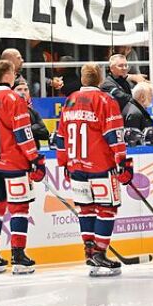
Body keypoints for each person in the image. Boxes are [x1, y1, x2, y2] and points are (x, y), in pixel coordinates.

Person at [53, 63, 133, 276]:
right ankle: (99, 252)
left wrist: (64, 164)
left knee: (86, 209)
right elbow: (113, 134)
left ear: (82, 79)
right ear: (99, 79)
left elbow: (60, 137)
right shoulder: (105, 100)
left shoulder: (69, 100)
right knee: (107, 209)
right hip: (100, 165)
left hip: (76, 165)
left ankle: (90, 252)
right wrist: (122, 161)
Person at [0, 59, 45, 275]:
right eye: (13, 72)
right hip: (13, 164)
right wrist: (35, 158)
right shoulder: (13, 98)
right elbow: (23, 133)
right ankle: (19, 256)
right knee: (19, 209)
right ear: (7, 74)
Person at [101, 53, 148, 122]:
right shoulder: (107, 84)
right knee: (136, 113)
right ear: (111, 68)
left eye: (126, 65)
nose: (124, 68)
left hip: (123, 115)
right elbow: (124, 98)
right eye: (120, 66)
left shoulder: (124, 81)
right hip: (113, 119)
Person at [13, 77, 50, 145]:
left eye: (26, 90)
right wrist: (34, 128)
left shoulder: (33, 112)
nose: (23, 92)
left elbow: (45, 134)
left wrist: (29, 129)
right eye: (19, 89)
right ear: (12, 92)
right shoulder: (9, 111)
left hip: (33, 151)